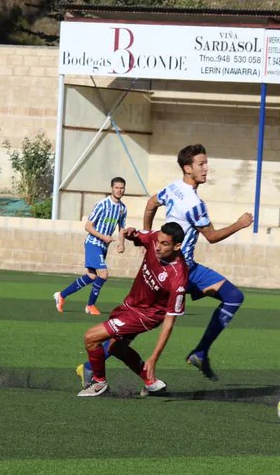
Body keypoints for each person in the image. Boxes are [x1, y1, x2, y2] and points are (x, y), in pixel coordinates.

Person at [142, 144, 253, 381]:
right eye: (201, 164)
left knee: (234, 296)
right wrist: (239, 224)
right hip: (179, 271)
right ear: (187, 168)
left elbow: (151, 203)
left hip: (187, 267)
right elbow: (212, 237)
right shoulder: (194, 204)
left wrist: (147, 235)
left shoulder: (173, 187)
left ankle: (200, 353)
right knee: (146, 319)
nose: (206, 168)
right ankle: (98, 360)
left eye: (206, 163)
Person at [77, 222, 188, 397]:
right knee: (116, 348)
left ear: (177, 246)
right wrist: (129, 234)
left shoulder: (178, 276)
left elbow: (169, 322)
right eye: (158, 241)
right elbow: (137, 237)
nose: (157, 247)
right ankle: (150, 382)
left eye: (165, 244)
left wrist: (154, 358)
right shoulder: (155, 238)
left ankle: (99, 383)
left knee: (91, 337)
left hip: (146, 316)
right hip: (130, 305)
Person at [54, 177, 127, 315]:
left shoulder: (122, 208)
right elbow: (88, 226)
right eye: (117, 187)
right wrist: (103, 237)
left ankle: (61, 295)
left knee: (92, 276)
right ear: (112, 188)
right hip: (93, 243)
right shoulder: (102, 204)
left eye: (122, 188)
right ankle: (90, 305)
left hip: (103, 247)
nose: (119, 190)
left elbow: (122, 228)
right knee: (103, 274)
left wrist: (121, 244)